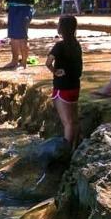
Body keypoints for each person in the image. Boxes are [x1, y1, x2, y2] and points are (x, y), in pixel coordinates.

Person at [46, 15, 83, 148]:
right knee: (74, 120)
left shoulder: (59, 46)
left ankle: (66, 151)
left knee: (67, 122)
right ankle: (76, 147)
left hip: (62, 88)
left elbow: (48, 62)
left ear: (61, 29)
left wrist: (55, 71)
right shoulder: (76, 45)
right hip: (75, 87)